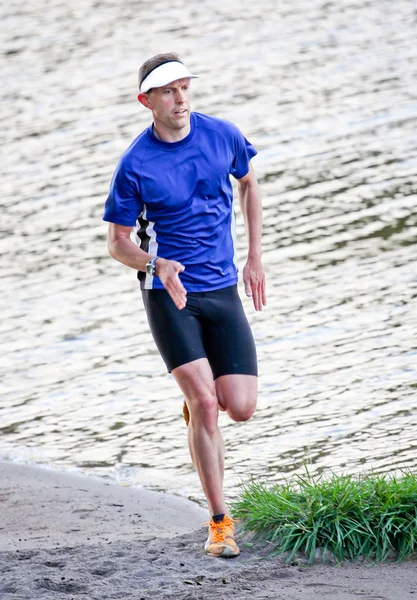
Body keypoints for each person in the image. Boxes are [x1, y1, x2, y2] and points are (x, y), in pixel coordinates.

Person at [103, 52, 266, 558]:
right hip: (168, 294)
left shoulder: (222, 135)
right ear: (146, 101)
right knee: (205, 404)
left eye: (185, 87)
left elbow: (249, 185)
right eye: (169, 91)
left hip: (221, 288)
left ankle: (196, 409)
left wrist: (254, 258)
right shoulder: (135, 164)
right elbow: (117, 241)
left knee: (238, 407)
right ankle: (219, 523)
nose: (181, 99)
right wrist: (157, 266)